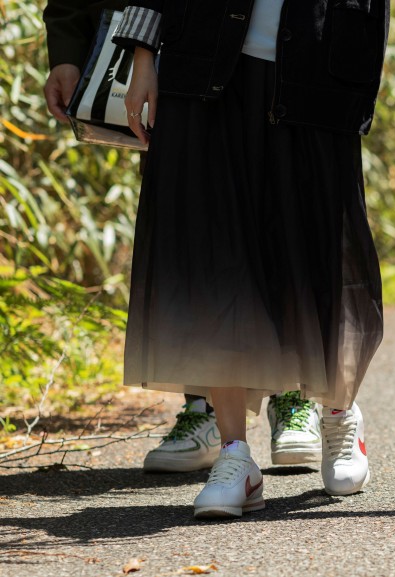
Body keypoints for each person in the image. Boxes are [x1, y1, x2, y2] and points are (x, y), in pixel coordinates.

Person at [113, 0, 395, 519]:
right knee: (216, 258)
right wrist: (142, 53)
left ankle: (339, 412)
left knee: (321, 258)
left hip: (322, 73)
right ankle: (235, 457)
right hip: (203, 63)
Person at [41, 0, 324, 474]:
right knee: (196, 232)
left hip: (278, 50)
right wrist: (69, 47)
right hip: (160, 54)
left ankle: (292, 393)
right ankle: (205, 405)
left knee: (283, 213)